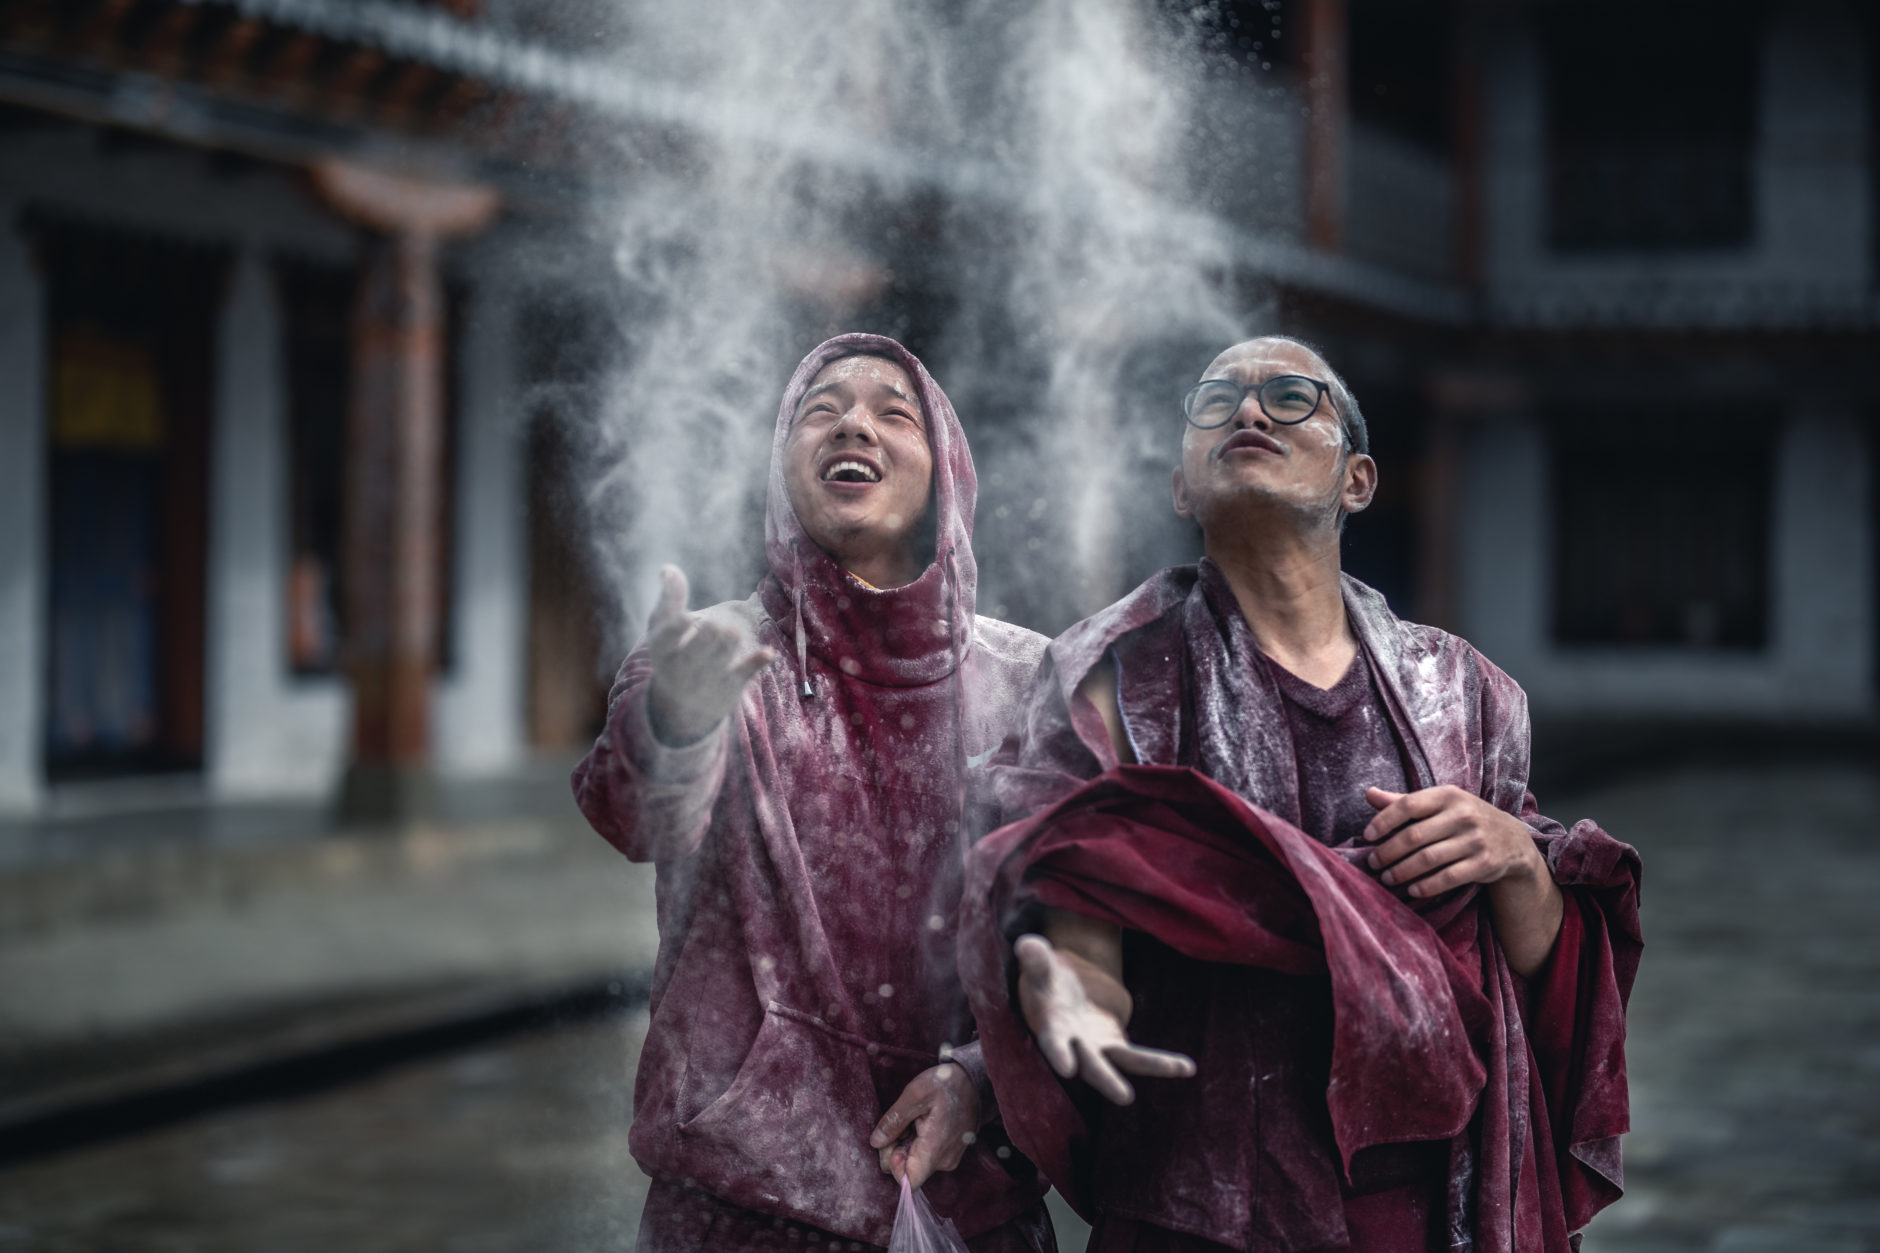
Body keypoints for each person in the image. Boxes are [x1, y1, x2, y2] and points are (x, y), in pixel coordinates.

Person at [960, 337, 1642, 1253]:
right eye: (1217, 403)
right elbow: (1073, 889)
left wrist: (1518, 861)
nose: (1248, 414)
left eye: (1290, 398)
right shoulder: (1114, 677)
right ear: (1181, 488)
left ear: (1357, 479)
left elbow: (1542, 972)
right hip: (1195, 1200)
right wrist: (1066, 987)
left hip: (1421, 1203)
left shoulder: (1466, 691)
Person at [573, 334, 1056, 1253]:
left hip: (965, 1186)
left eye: (892, 411)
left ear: (948, 466)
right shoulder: (711, 653)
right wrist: (674, 720)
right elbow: (634, 816)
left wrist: (980, 1080)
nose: (853, 425)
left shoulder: (1030, 680)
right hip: (737, 1194)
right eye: (821, 408)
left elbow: (1070, 934)